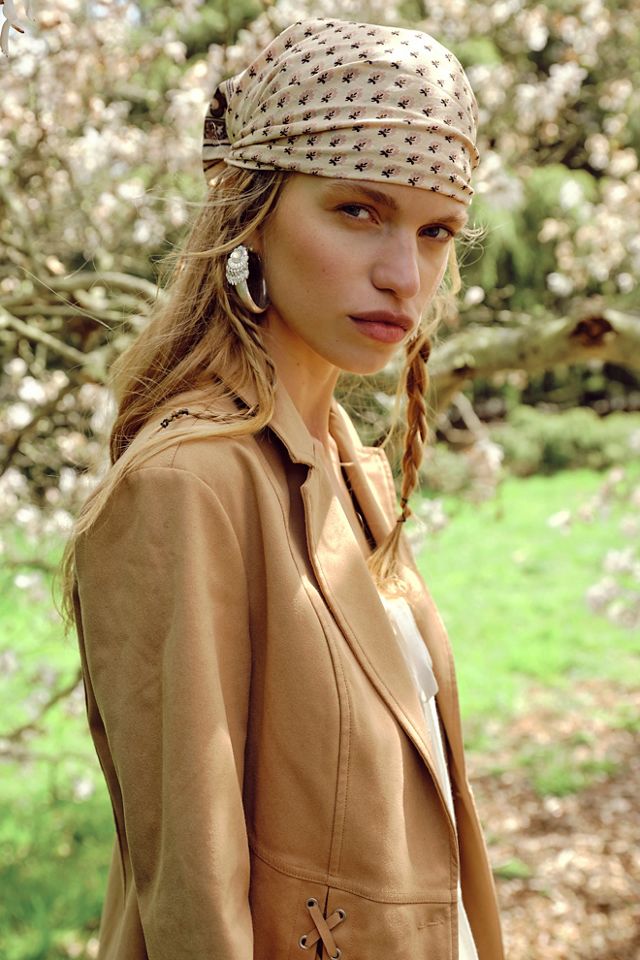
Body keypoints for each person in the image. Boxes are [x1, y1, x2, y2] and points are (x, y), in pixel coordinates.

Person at [63, 17, 504, 960]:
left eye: (435, 231)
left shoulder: (349, 466)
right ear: (252, 213)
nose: (405, 276)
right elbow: (194, 894)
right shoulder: (188, 486)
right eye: (358, 210)